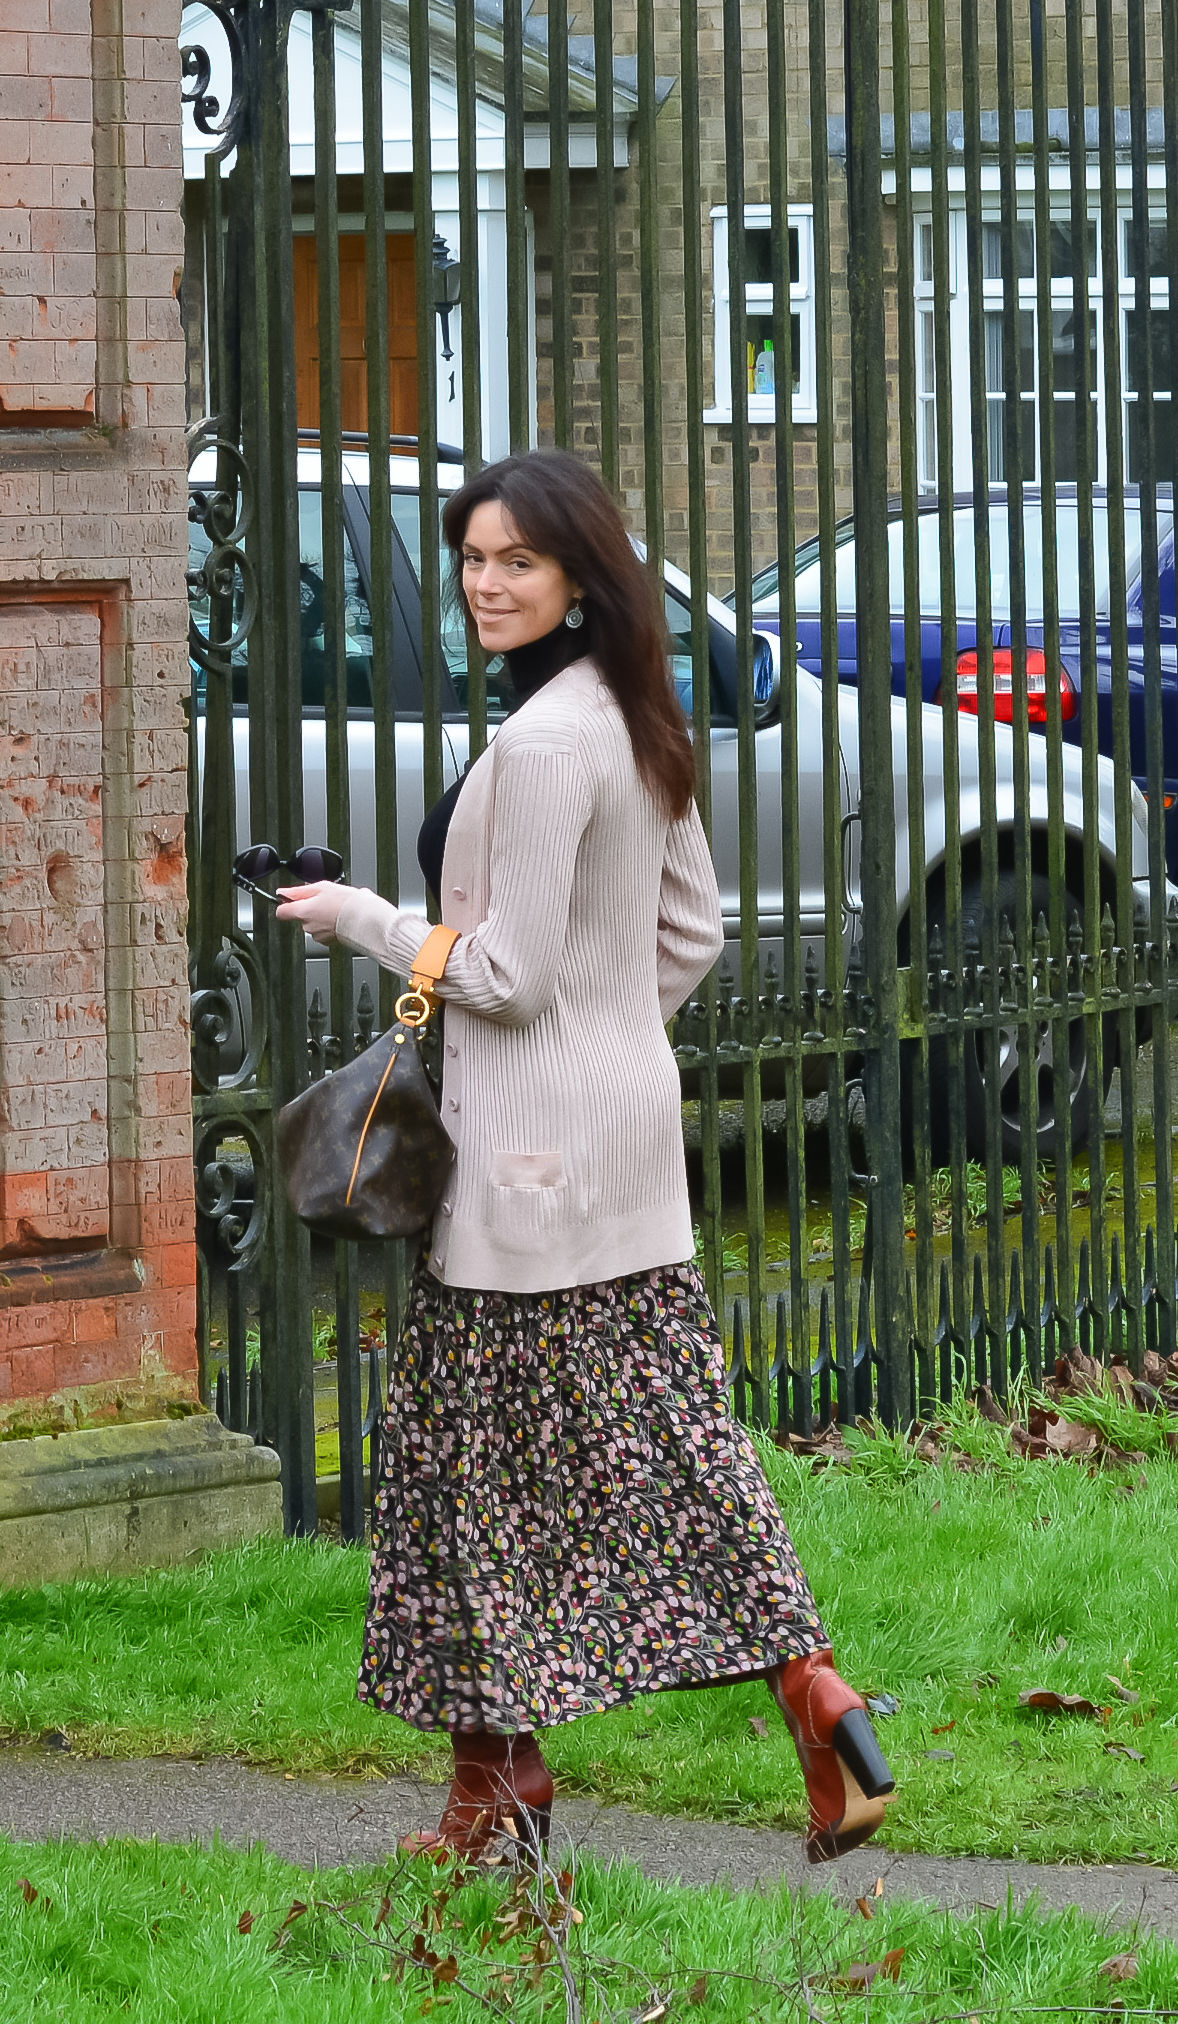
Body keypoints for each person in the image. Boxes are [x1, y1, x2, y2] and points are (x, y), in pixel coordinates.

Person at [273, 449, 894, 1868]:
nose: (487, 585)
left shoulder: (551, 740)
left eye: (517, 563)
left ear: (576, 578)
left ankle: (510, 1781)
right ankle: (795, 1704)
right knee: (671, 1442)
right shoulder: (631, 711)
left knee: (466, 1478)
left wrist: (363, 917)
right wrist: (613, 1044)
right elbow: (690, 937)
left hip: (523, 1164)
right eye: (475, 559)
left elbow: (505, 976)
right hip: (624, 1143)